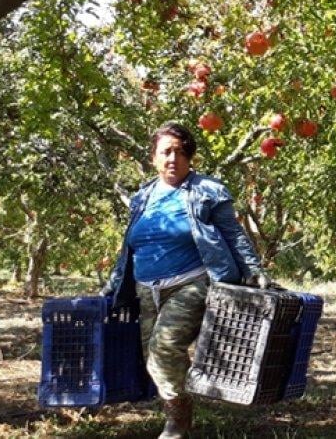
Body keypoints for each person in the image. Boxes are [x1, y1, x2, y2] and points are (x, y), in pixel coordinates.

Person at [105, 121, 269, 439]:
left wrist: (253, 269)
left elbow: (233, 234)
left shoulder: (207, 190)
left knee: (164, 349)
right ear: (153, 157)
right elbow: (129, 246)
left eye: (180, 152)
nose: (173, 158)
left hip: (191, 283)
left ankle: (177, 423)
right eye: (166, 152)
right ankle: (179, 410)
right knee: (152, 356)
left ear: (189, 157)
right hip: (146, 288)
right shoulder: (142, 197)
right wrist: (114, 282)